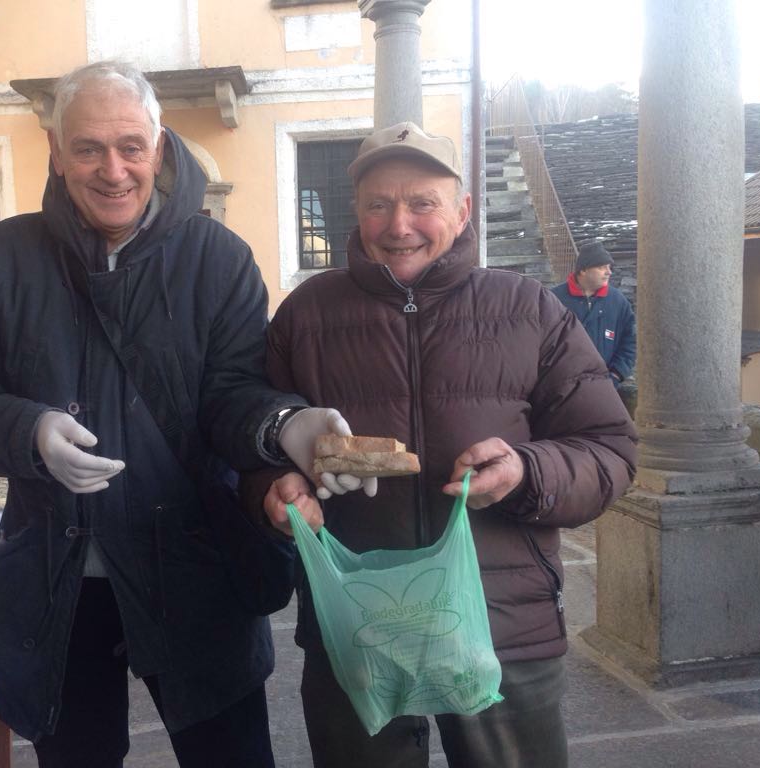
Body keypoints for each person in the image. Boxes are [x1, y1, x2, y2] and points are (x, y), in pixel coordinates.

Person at [0, 61, 369, 768]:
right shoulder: (0, 259)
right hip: (58, 582)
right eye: (88, 149)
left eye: (131, 146)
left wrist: (287, 426)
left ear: (158, 148)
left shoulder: (218, 258)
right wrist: (29, 431)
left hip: (194, 567)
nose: (113, 170)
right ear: (56, 154)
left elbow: (234, 392)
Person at [252, 122, 638, 768]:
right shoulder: (305, 315)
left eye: (422, 203)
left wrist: (526, 472)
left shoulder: (530, 310)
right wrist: (276, 489)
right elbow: (256, 445)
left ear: (462, 212)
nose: (399, 225)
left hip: (503, 625)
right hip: (358, 624)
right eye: (378, 204)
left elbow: (610, 450)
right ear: (357, 213)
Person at [551, 241, 637, 386]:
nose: (609, 272)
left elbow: (630, 341)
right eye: (602, 267)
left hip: (605, 385)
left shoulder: (618, 301)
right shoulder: (553, 299)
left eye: (609, 267)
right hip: (561, 386)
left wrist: (616, 374)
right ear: (583, 270)